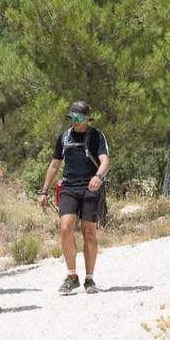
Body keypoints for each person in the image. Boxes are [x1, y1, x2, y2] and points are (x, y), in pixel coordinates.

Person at [37, 101, 110, 295]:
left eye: (79, 118)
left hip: (90, 187)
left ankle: (89, 279)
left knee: (89, 232)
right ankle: (72, 276)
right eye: (72, 118)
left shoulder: (96, 136)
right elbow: (54, 166)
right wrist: (44, 191)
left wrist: (98, 177)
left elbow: (105, 161)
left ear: (87, 119)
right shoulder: (64, 137)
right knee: (65, 228)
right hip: (69, 186)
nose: (75, 122)